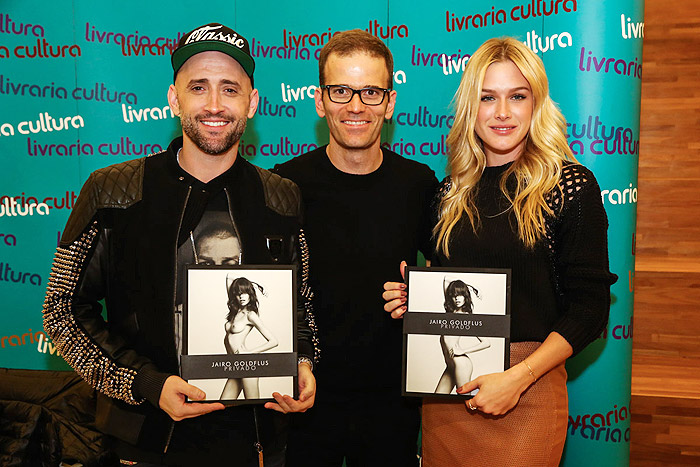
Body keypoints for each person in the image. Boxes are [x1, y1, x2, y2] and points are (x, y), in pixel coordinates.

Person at [42, 23, 317, 466]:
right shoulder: (112, 189)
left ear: (252, 103)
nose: (214, 105)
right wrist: (145, 384)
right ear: (174, 99)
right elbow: (62, 311)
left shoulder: (281, 197)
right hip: (143, 441)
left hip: (254, 440)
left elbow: (299, 307)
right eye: (198, 87)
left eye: (230, 89)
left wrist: (302, 362)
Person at [383, 37, 617, 466]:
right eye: (488, 97)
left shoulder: (568, 187)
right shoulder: (448, 194)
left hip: (528, 387)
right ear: (472, 108)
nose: (503, 112)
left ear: (536, 104)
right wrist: (412, 298)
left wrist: (518, 378)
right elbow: (452, 289)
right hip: (447, 391)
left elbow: (591, 307)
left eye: (517, 96)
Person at [274, 29, 438, 467]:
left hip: (392, 401)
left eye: (370, 91)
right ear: (319, 99)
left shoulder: (419, 184)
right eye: (341, 90)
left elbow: (453, 278)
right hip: (305, 396)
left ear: (390, 102)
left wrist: (419, 297)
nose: (355, 105)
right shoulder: (284, 186)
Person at [222, 276, 279, 400]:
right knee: (222, 405)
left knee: (253, 406)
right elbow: (228, 277)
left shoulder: (250, 315)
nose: (241, 297)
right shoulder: (235, 311)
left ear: (250, 294)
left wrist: (248, 353)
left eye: (245, 293)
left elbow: (274, 341)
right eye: (238, 294)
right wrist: (251, 283)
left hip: (247, 365)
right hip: (235, 366)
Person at [435, 278, 489, 394]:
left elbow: (486, 343)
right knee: (437, 399)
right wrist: (468, 286)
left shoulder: (467, 317)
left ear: (465, 296)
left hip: (461, 365)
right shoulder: (449, 314)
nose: (457, 298)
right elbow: (446, 279)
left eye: (461, 295)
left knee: (464, 402)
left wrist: (463, 350)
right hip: (450, 366)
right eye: (454, 295)